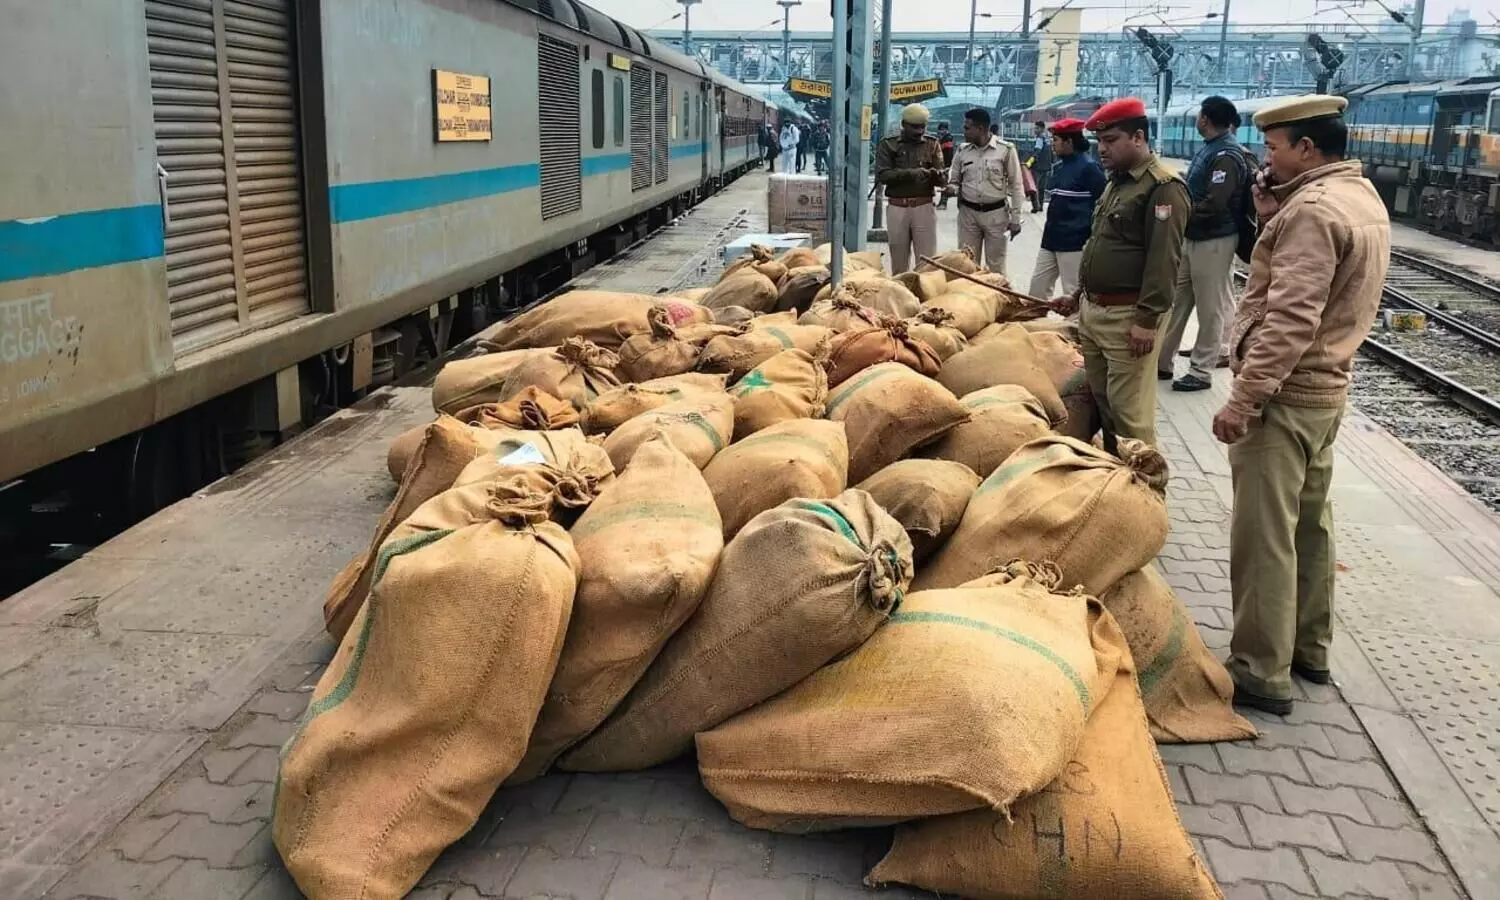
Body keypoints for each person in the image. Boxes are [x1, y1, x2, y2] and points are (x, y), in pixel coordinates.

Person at [1213, 96, 1390, 716]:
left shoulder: (1314, 211)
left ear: (1307, 149)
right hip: (1326, 390)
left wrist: (1245, 398)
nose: (1267, 159)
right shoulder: (1357, 197)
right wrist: (1271, 214)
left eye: (1275, 148)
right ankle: (1309, 648)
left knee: (1263, 535)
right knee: (1311, 525)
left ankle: (1260, 669)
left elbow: (1290, 316)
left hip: (1284, 397)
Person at [1048, 97, 1189, 451]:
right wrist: (1078, 295)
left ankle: (1146, 494)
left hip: (1128, 319)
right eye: (1099, 142)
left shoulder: (1162, 188)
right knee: (1106, 406)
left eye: (1110, 141)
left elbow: (1164, 261)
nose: (1102, 150)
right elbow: (1101, 244)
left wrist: (1147, 320)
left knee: (1129, 418)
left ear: (1138, 137)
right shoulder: (1117, 183)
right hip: (1096, 312)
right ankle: (1115, 486)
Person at [1159, 96, 1253, 392]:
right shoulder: (1211, 148)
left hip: (1214, 239)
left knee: (1209, 308)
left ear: (1205, 118)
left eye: (1199, 115)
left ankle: (1201, 371)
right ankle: (1162, 361)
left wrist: (1179, 212)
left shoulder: (1226, 154)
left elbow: (1215, 201)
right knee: (1177, 301)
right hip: (1195, 237)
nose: (1197, 119)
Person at [1028, 118, 1107, 299]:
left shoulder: (1089, 169)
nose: (1052, 145)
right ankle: (1033, 325)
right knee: (1036, 292)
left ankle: (1074, 328)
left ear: (1069, 142)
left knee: (1072, 295)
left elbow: (1102, 206)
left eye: (1056, 140)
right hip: (1050, 241)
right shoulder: (1059, 168)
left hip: (1074, 244)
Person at [944, 108, 1026, 274]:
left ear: (980, 129)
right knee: (966, 264)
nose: (963, 131)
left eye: (967, 128)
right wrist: (951, 189)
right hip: (968, 215)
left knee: (995, 267)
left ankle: (997, 298)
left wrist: (1016, 219)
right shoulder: (962, 151)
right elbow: (954, 181)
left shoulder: (1006, 150)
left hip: (996, 216)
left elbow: (1017, 185)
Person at [874, 103, 947, 273]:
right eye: (914, 127)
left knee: (927, 263)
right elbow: (883, 176)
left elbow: (942, 179)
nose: (919, 131)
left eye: (922, 126)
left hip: (924, 207)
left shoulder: (932, 144)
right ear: (903, 124)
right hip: (897, 208)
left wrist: (940, 177)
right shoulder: (888, 145)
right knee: (899, 263)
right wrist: (912, 174)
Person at [1027, 120, 1053, 213]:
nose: (1035, 130)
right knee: (1042, 188)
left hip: (1038, 167)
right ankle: (1041, 206)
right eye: (1035, 128)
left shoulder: (1039, 138)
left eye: (1037, 128)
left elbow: (1037, 152)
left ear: (1042, 129)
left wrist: (1029, 162)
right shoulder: (1048, 139)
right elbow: (1051, 153)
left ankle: (1035, 207)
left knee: (1034, 187)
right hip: (1046, 167)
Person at [935, 121, 956, 209]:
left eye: (942, 130)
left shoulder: (948, 139)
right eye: (940, 130)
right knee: (943, 183)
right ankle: (942, 202)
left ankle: (943, 203)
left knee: (944, 184)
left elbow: (948, 154)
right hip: (943, 165)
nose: (941, 132)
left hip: (945, 165)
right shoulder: (944, 138)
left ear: (945, 129)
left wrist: (947, 166)